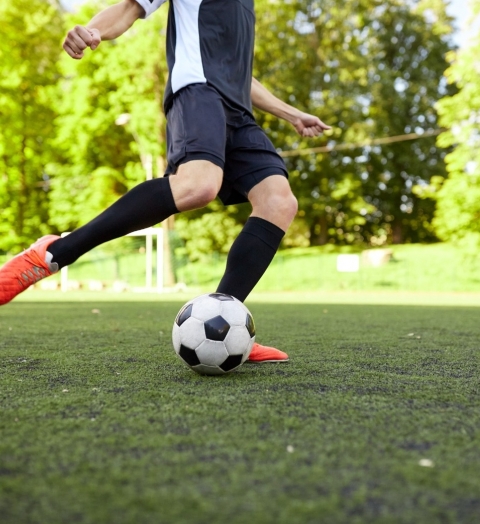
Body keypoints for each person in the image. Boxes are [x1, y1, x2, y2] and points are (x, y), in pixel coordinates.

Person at [0, 0, 330, 362]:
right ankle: (51, 254)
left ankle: (226, 324)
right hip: (198, 92)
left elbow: (240, 75)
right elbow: (129, 9)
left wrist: (292, 114)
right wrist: (93, 31)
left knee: (279, 202)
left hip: (237, 109)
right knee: (199, 185)